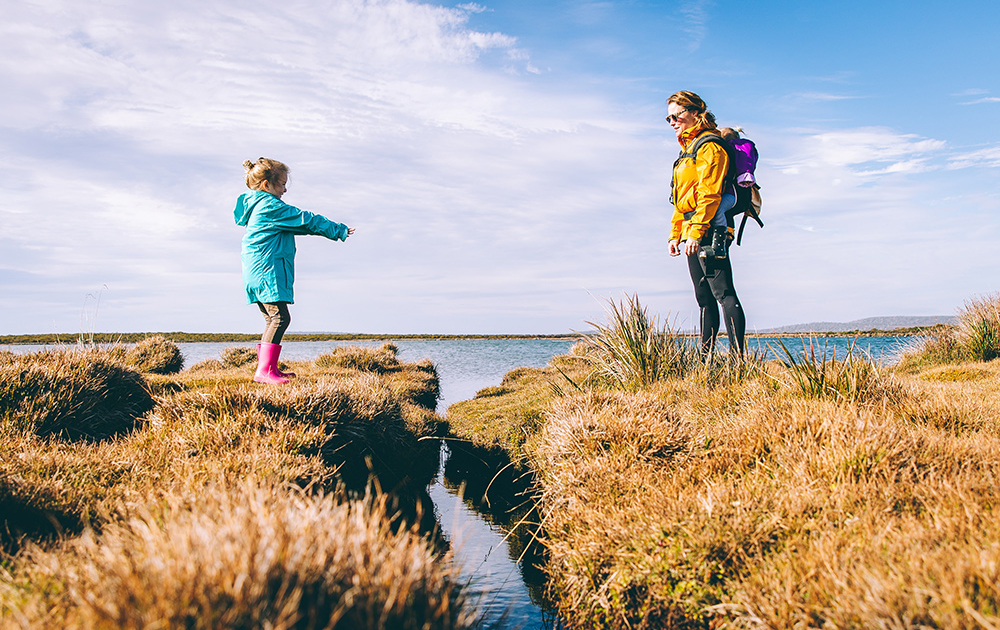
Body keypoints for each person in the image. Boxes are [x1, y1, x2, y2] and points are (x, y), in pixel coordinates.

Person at [235, 158, 355, 384]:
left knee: (272, 319)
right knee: (280, 318)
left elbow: (301, 226)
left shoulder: (258, 206)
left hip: (256, 271)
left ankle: (269, 368)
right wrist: (337, 229)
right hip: (266, 270)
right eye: (281, 184)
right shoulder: (271, 207)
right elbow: (305, 220)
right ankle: (264, 371)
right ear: (266, 185)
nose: (285, 189)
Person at [666, 91, 746, 356]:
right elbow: (682, 199)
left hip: (709, 227)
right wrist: (675, 234)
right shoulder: (686, 150)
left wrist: (697, 233)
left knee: (723, 293)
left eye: (676, 115)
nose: (673, 121)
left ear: (695, 112)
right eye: (668, 118)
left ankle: (738, 362)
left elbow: (709, 194)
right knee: (703, 299)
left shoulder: (709, 146)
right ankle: (705, 360)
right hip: (692, 230)